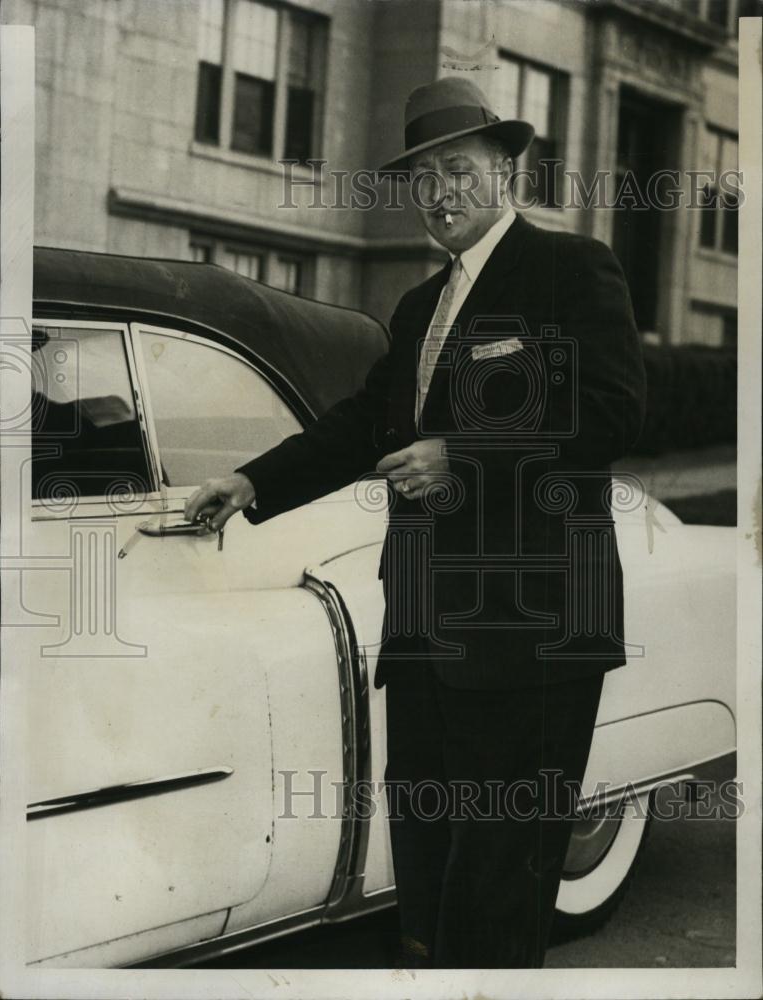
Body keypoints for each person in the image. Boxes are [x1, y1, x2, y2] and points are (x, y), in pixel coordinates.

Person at [185, 76, 647, 968]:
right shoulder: (417, 307)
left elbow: (614, 413)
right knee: (430, 889)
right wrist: (251, 480)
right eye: (423, 176)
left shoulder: (571, 269)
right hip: (430, 638)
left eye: (459, 168)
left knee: (501, 889)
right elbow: (363, 423)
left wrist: (463, 453)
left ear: (507, 168)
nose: (440, 192)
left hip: (535, 639)